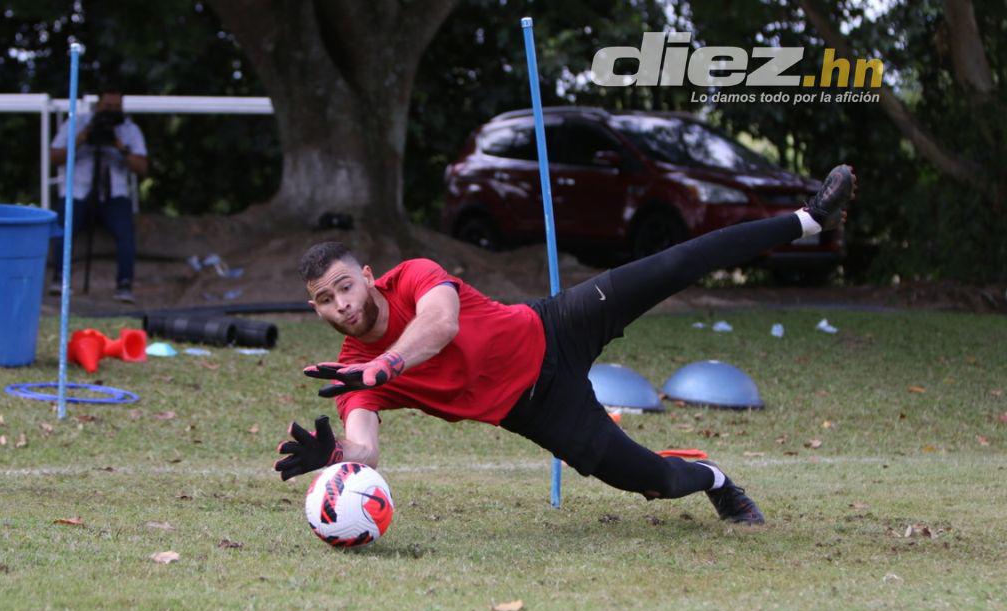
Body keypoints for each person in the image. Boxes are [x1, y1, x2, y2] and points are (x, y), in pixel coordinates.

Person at [275, 165, 857, 524]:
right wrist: (336, 459)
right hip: (539, 411)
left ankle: (809, 219)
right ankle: (719, 481)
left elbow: (441, 325)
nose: (342, 305)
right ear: (316, 308)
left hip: (555, 325)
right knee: (653, 481)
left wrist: (389, 363)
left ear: (368, 275)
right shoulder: (353, 373)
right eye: (326, 300)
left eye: (345, 287)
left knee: (674, 263)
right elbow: (366, 452)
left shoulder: (412, 277)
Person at [50, 83, 149, 303]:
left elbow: (142, 167)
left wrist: (118, 146)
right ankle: (59, 279)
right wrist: (82, 138)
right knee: (63, 229)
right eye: (107, 106)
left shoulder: (129, 130)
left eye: (117, 106)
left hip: (114, 194)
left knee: (126, 234)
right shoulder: (77, 123)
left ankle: (124, 285)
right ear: (98, 105)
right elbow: (54, 158)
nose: (112, 111)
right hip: (77, 191)